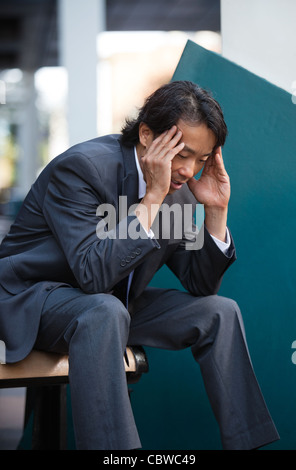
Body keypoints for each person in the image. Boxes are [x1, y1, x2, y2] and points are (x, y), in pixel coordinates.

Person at [0, 81, 279, 450]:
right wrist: (151, 200)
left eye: (201, 159)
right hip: (36, 299)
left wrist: (215, 212)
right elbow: (92, 274)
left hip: (112, 305)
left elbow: (201, 284)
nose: (188, 171)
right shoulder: (82, 169)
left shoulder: (179, 194)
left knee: (219, 311)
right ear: (147, 135)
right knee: (104, 310)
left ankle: (250, 444)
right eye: (183, 153)